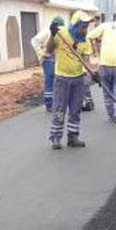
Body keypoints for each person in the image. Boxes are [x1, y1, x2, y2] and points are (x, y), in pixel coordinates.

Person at [46, 10, 95, 149]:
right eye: (83, 26)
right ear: (76, 25)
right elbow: (48, 50)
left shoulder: (85, 41)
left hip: (78, 79)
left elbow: (86, 61)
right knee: (60, 109)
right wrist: (52, 34)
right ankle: (55, 138)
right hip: (62, 78)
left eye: (87, 26)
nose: (85, 30)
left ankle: (73, 137)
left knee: (75, 109)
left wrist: (93, 74)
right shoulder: (62, 34)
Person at [88, 16, 116, 123]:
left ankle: (111, 115)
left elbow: (89, 36)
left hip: (104, 63)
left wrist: (93, 51)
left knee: (107, 90)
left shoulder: (106, 25)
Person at [30, 16, 64, 111]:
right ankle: (49, 103)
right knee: (49, 80)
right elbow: (34, 41)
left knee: (57, 80)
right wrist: (41, 53)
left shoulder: (61, 32)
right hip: (48, 59)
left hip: (57, 59)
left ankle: (57, 101)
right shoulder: (46, 32)